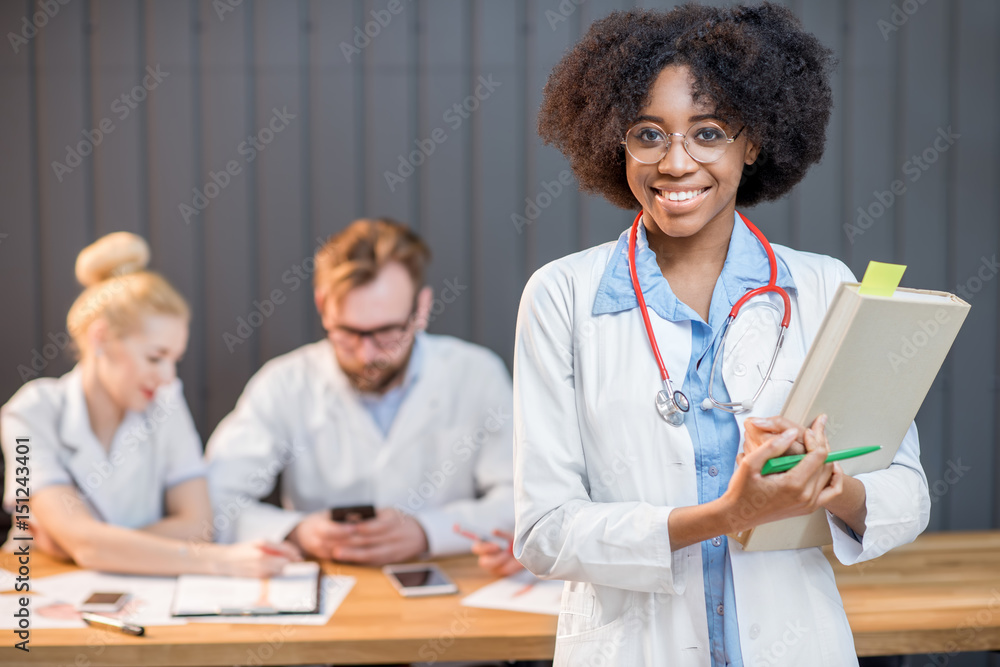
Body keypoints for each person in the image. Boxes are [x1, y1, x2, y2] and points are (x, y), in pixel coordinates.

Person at [512, 5, 930, 666]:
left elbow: (907, 494)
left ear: (753, 143)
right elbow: (544, 532)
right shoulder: (561, 296)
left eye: (707, 133)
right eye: (648, 134)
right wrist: (726, 514)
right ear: (615, 142)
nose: (676, 162)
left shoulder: (823, 288)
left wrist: (829, 485)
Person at [206, 218, 521, 575]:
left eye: (387, 332)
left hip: (452, 585)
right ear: (323, 306)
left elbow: (523, 496)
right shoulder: (284, 383)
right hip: (328, 588)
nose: (367, 355)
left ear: (421, 308)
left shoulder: (475, 374)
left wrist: (428, 531)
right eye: (348, 332)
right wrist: (296, 531)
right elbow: (215, 498)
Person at [0, 232, 299, 576]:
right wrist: (221, 560)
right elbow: (87, 544)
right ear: (100, 338)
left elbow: (199, 525)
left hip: (135, 596)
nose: (168, 377)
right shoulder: (28, 414)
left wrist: (84, 546)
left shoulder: (165, 401)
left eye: (175, 359)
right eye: (156, 357)